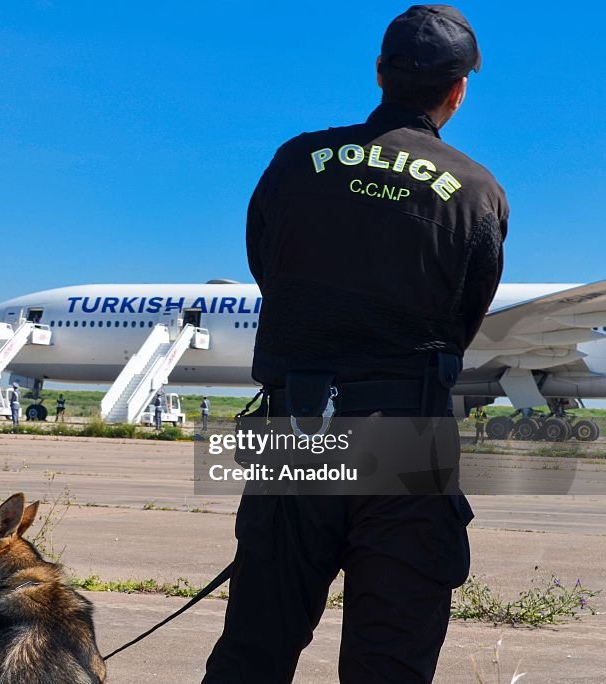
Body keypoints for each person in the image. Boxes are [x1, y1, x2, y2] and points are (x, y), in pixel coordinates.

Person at [203, 6, 507, 683]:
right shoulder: (478, 191)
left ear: (379, 72)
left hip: (299, 427)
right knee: (389, 663)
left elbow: (267, 268)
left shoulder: (295, 160)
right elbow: (465, 316)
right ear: (458, 90)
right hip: (406, 437)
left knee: (254, 650)